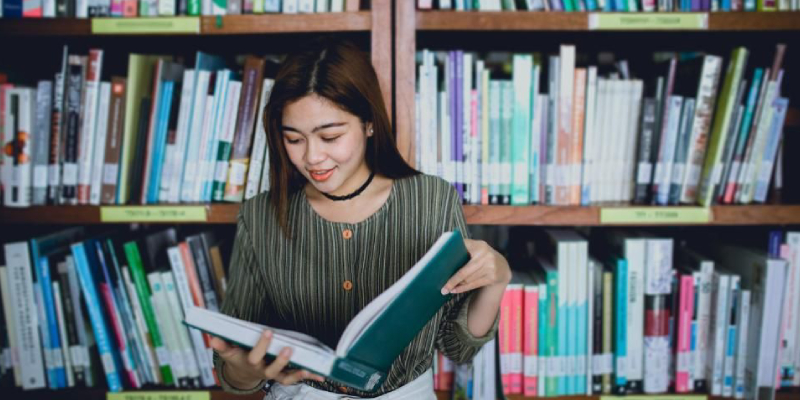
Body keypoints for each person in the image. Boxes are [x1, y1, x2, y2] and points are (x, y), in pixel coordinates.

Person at [211, 38, 511, 399]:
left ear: (369, 123)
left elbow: (457, 348)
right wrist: (243, 371)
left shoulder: (431, 199)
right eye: (294, 139)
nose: (312, 157)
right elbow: (235, 373)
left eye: (330, 136)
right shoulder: (260, 217)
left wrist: (497, 280)